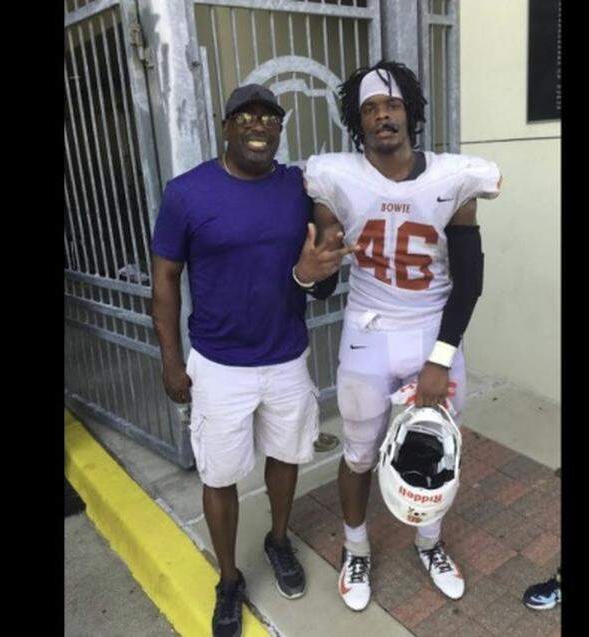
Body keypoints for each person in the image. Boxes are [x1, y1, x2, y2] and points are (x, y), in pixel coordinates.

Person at [151, 84, 357, 637]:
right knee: (219, 476)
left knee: (286, 456)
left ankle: (278, 540)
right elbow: (165, 279)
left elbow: (323, 269)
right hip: (218, 365)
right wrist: (172, 360)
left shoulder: (297, 187)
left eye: (269, 116)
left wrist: (321, 268)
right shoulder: (187, 193)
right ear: (226, 127)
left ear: (279, 129)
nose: (258, 124)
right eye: (246, 116)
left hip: (286, 357)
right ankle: (228, 578)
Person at [303, 60, 502, 611]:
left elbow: (470, 281)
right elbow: (321, 283)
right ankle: (357, 547)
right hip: (368, 333)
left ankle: (429, 542)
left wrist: (440, 358)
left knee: (438, 450)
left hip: (433, 331)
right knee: (360, 452)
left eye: (391, 105)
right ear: (357, 121)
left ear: (409, 110)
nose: (382, 115)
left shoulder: (453, 177)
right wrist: (308, 276)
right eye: (369, 108)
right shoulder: (335, 178)